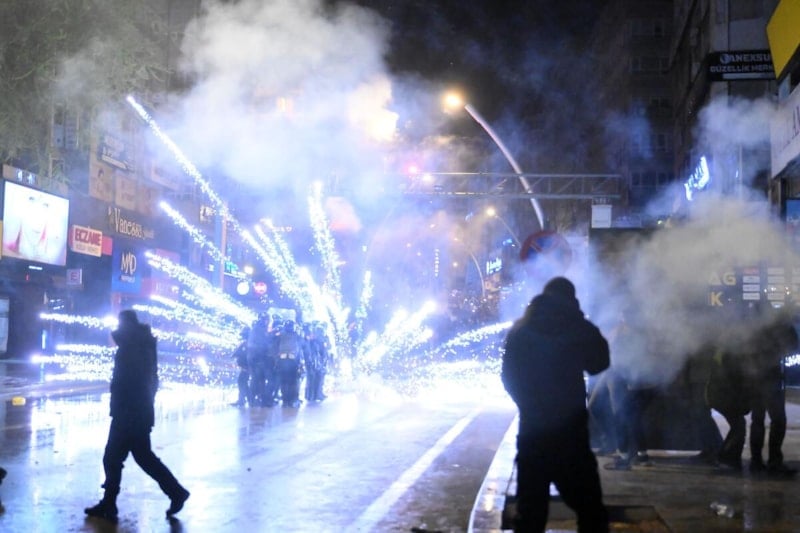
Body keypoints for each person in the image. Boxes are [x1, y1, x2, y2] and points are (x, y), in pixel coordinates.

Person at [502, 277, 610, 532]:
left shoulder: (522, 328)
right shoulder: (577, 326)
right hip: (570, 434)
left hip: (532, 433)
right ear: (571, 299)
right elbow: (599, 363)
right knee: (590, 509)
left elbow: (508, 377)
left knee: (530, 512)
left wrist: (528, 406)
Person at [85, 310, 190, 524]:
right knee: (141, 457)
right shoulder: (141, 343)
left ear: (126, 325)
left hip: (129, 412)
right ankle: (175, 492)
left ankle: (110, 503)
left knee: (113, 457)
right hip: (137, 410)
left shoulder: (132, 346)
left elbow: (129, 380)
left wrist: (124, 408)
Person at [747, 309, 798, 476]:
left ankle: (756, 460)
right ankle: (774, 461)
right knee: (778, 420)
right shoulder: (780, 326)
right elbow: (792, 346)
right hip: (772, 376)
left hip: (755, 377)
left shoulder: (752, 326)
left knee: (757, 420)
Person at [230, 326, 251, 407]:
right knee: (243, 382)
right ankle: (248, 399)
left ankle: (243, 400)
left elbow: (242, 353)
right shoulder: (246, 342)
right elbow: (236, 353)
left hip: (246, 367)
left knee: (241, 382)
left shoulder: (248, 343)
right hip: (245, 367)